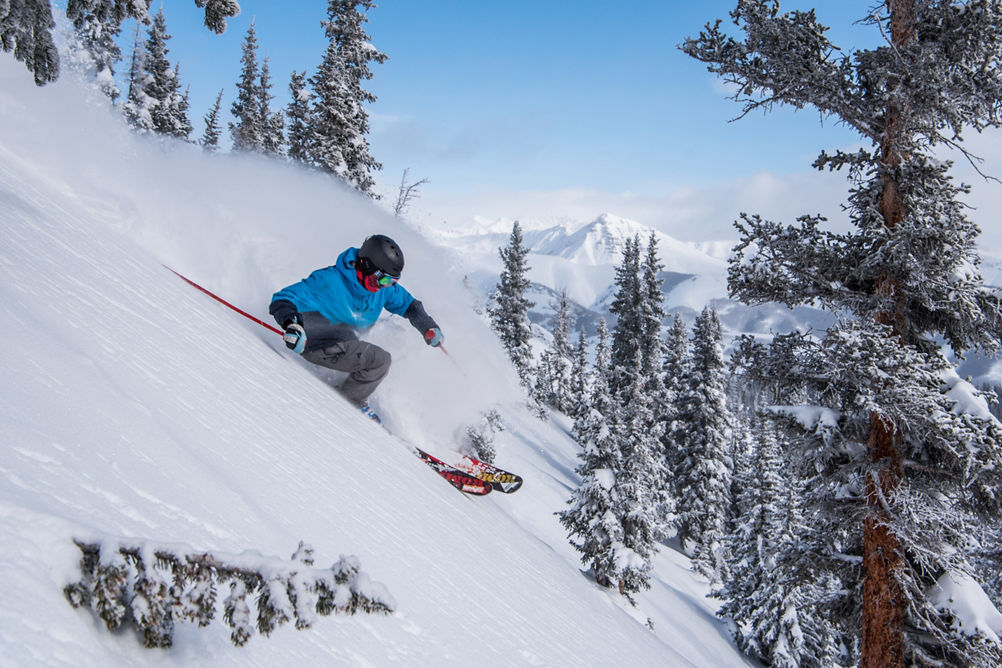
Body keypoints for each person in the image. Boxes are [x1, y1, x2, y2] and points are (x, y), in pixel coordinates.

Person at [269, 234, 443, 423]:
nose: (384, 286)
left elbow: (410, 305)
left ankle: (350, 389)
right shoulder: (329, 280)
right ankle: (350, 401)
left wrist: (427, 326)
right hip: (317, 343)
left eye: (392, 282)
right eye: (384, 280)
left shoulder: (381, 288)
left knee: (387, 335)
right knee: (380, 360)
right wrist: (292, 325)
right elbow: (282, 298)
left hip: (345, 342)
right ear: (367, 265)